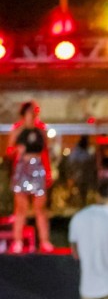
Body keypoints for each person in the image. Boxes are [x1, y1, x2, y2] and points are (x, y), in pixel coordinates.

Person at [7, 101, 54, 253]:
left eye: (34, 113)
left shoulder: (41, 131)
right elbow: (9, 151)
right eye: (29, 112)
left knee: (40, 208)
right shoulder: (17, 130)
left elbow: (46, 152)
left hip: (37, 167)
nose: (32, 116)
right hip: (22, 167)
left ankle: (45, 241)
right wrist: (16, 150)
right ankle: (18, 241)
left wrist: (48, 172)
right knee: (21, 208)